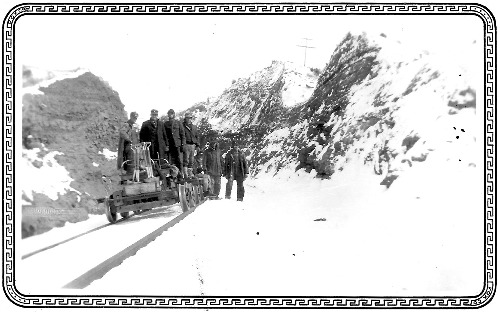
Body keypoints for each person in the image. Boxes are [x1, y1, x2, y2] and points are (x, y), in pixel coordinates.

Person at [164, 109, 186, 177]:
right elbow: (164, 135)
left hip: (178, 145)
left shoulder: (178, 123)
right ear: (168, 115)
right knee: (170, 161)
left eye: (172, 113)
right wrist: (166, 145)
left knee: (180, 160)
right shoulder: (165, 124)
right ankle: (173, 175)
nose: (170, 115)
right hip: (170, 145)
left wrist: (183, 144)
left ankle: (181, 174)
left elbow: (182, 134)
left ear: (174, 114)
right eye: (169, 114)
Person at [182, 112, 199, 178]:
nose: (189, 119)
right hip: (186, 144)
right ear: (185, 119)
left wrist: (197, 145)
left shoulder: (194, 127)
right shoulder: (182, 126)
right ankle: (185, 174)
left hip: (193, 145)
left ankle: (190, 173)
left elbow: (197, 136)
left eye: (190, 118)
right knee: (186, 160)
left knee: (191, 160)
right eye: (187, 118)